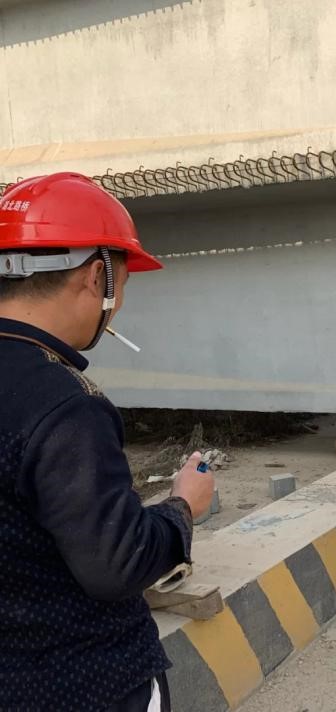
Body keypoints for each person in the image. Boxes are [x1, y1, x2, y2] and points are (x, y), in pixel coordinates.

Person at [0, 173, 214, 711]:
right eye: (124, 285)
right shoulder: (66, 404)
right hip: (84, 683)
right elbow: (116, 564)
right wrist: (182, 507)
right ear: (98, 277)